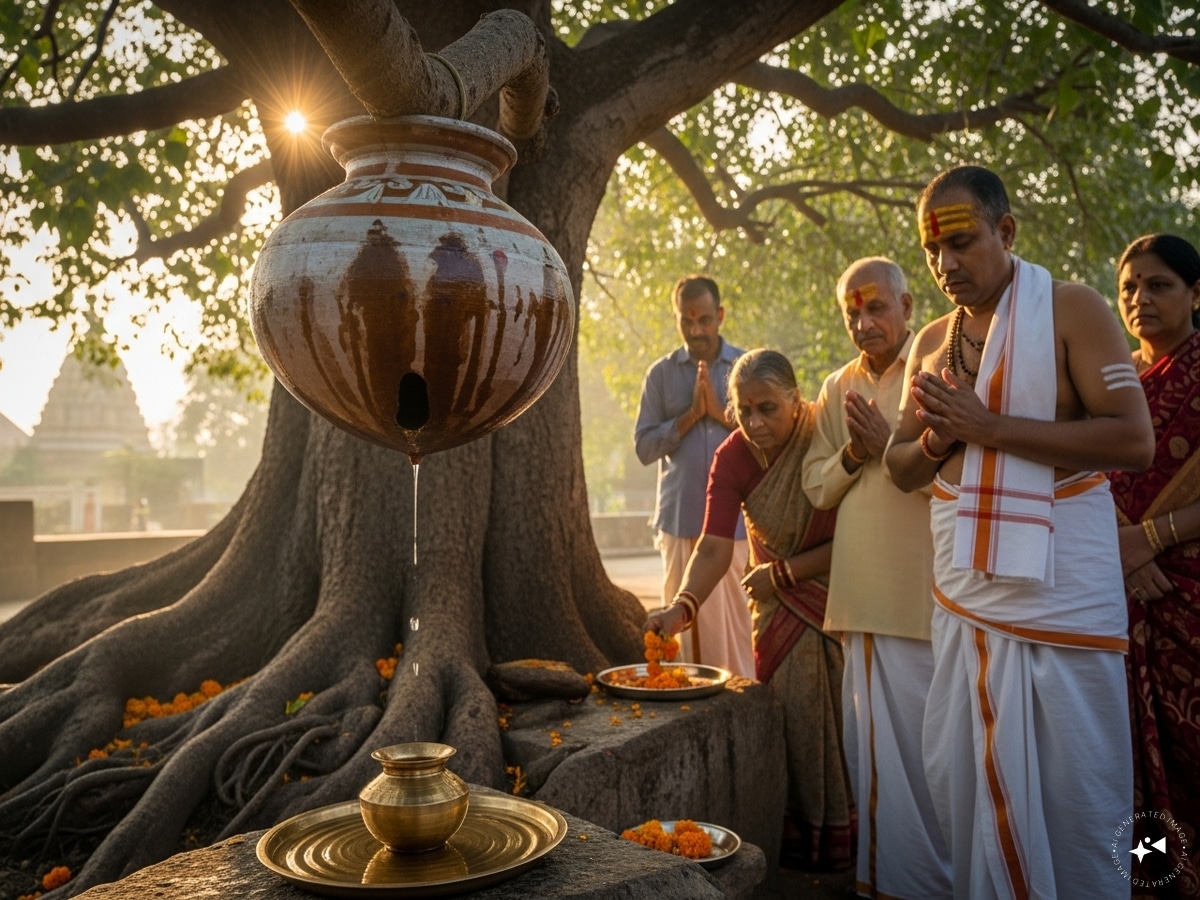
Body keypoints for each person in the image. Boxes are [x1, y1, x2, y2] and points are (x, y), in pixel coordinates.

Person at [884, 165, 1155, 898]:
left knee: (1079, 783)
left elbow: (1134, 441)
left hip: (1062, 597)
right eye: (933, 250)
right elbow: (901, 465)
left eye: (964, 243)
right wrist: (944, 439)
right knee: (965, 775)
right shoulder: (933, 341)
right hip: (969, 602)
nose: (946, 266)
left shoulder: (1074, 309)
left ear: (1006, 231)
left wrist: (990, 427)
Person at [645, 349, 852, 870]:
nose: (755, 422)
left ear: (795, 400)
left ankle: (859, 847)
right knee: (790, 722)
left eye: (768, 409)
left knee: (854, 726)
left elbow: (859, 531)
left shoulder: (824, 433)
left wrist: (786, 573)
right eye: (743, 410)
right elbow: (714, 546)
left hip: (843, 600)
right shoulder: (732, 456)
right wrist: (681, 607)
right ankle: (806, 852)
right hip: (780, 614)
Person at [802, 257, 951, 898]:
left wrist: (892, 444)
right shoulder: (837, 388)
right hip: (858, 601)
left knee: (928, 761)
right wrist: (855, 452)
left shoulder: (936, 374)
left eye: (876, 308)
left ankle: (940, 883)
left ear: (908, 305)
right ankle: (885, 881)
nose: (864, 323)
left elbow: (951, 484)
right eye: (852, 312)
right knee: (870, 761)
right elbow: (817, 488)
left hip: (920, 601)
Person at [1109, 233, 1200, 898]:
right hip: (1122, 612)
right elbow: (1081, 488)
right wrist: (1126, 546)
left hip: (1189, 604)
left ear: (1196, 293)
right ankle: (1159, 883)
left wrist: (1151, 538)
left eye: (1159, 284)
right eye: (1129, 288)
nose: (1141, 298)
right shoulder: (1111, 389)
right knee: (1136, 765)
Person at [635, 275, 754, 677]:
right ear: (677, 320)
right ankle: (686, 701)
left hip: (736, 526)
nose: (697, 330)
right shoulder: (661, 375)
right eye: (687, 322)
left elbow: (771, 440)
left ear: (719, 316)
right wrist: (688, 417)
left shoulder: (745, 368)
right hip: (680, 519)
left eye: (704, 319)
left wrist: (720, 413)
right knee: (681, 632)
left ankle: (742, 696)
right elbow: (644, 448)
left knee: (736, 629)